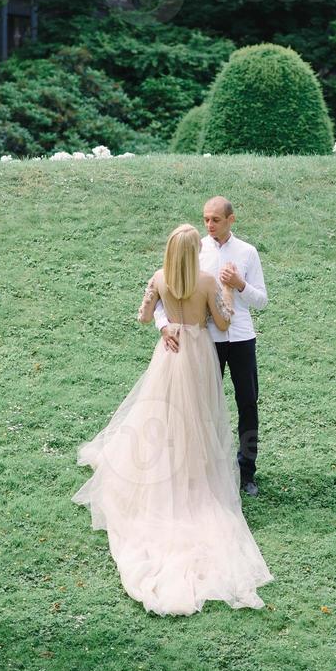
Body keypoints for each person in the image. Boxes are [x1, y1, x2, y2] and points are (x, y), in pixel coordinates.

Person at [72, 224, 273, 616]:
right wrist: (228, 293)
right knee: (197, 419)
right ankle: (195, 474)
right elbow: (224, 321)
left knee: (162, 416)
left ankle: (163, 470)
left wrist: (165, 321)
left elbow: (145, 316)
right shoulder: (206, 281)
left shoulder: (160, 278)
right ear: (193, 252)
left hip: (169, 356)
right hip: (197, 354)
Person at [153, 196, 268, 496]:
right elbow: (163, 296)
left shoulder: (247, 252)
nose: (209, 225)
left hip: (242, 338)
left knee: (248, 403)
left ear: (231, 219)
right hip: (206, 342)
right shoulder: (195, 251)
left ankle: (247, 472)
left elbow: (262, 301)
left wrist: (240, 284)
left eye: (215, 220)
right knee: (200, 405)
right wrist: (164, 326)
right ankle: (203, 469)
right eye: (205, 219)